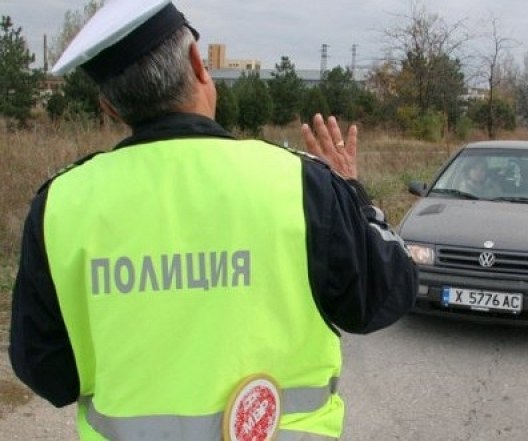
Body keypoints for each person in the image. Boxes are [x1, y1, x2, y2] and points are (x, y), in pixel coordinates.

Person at [7, 1, 417, 440]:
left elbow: (48, 374)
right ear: (199, 65)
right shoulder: (301, 185)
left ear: (109, 107)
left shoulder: (61, 204)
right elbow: (383, 296)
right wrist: (352, 192)